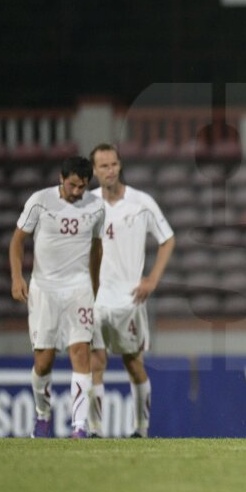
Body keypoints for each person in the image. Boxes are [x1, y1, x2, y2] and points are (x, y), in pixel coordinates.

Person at [9, 156, 105, 439]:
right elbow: (17, 241)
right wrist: (17, 277)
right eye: (73, 185)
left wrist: (94, 287)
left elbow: (96, 250)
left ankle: (79, 427)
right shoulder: (40, 201)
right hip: (44, 289)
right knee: (44, 361)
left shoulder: (96, 207)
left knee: (80, 352)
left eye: (83, 187)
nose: (77, 192)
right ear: (61, 178)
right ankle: (42, 414)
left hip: (78, 288)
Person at [87, 144, 176, 439]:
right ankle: (95, 430)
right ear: (95, 171)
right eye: (103, 166)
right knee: (95, 362)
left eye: (113, 164)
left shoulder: (141, 202)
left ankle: (141, 428)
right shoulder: (88, 203)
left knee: (133, 364)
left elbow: (168, 239)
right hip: (96, 300)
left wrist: (152, 278)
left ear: (120, 166)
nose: (110, 170)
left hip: (130, 299)